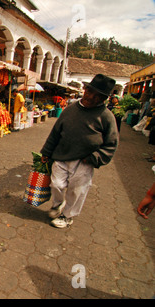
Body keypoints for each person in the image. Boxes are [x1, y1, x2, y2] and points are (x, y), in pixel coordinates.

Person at [40, 74, 119, 228]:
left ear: (104, 99)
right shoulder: (70, 109)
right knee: (56, 184)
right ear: (85, 90)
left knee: (77, 190)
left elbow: (111, 144)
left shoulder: (107, 116)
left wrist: (95, 157)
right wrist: (46, 152)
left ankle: (67, 216)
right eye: (89, 92)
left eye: (98, 96)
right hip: (62, 155)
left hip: (84, 160)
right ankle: (57, 204)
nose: (91, 97)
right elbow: (55, 133)